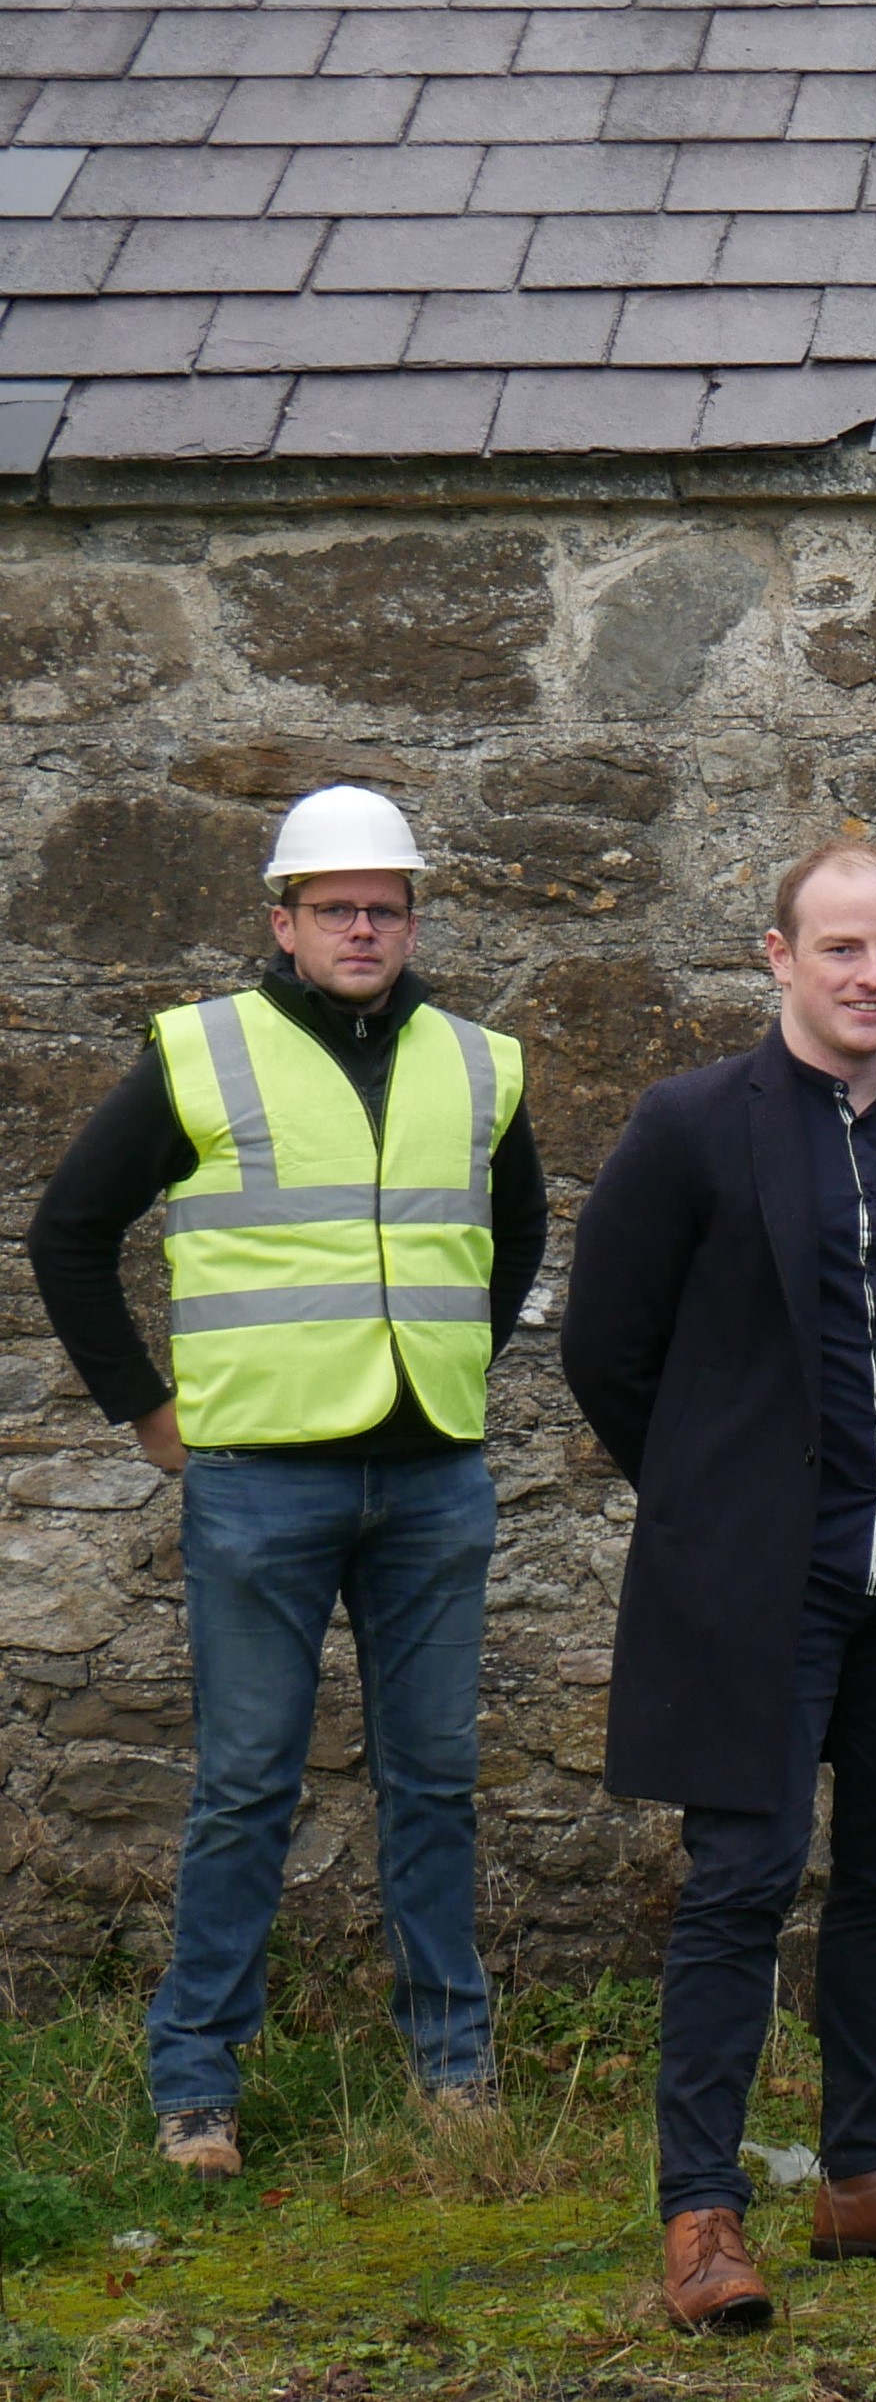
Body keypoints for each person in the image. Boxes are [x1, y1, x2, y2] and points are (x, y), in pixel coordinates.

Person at [562, 841, 876, 2334]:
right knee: (741, 1880)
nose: (872, 975)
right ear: (778, 956)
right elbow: (606, 1346)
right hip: (764, 1585)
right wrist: (718, 1502)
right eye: (842, 947)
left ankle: (865, 2175)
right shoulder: (690, 1124)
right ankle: (702, 2213)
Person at [19, 785, 539, 2185]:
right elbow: (68, 1232)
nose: (363, 927)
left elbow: (515, 1236)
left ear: (413, 919)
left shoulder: (480, 1063)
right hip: (259, 1484)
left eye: (385, 907)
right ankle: (197, 2084)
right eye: (335, 907)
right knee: (246, 1785)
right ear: (284, 920)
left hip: (431, 1477)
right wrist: (148, 1414)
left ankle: (454, 2066)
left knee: (435, 1782)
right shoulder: (202, 1049)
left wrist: (448, 1365)